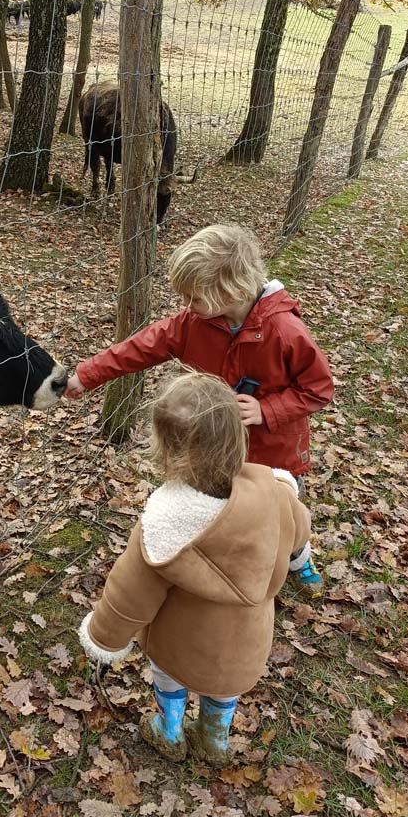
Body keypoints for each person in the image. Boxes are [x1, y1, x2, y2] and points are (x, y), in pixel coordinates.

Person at [64, 223, 332, 597]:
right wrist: (85, 374)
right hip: (213, 446)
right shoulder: (195, 323)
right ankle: (220, 562)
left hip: (273, 454)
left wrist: (267, 409)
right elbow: (141, 346)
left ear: (233, 290)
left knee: (278, 515)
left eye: (195, 298)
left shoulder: (285, 332)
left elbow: (319, 388)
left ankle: (298, 555)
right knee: (217, 505)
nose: (187, 307)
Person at [78, 372, 311, 764]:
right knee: (224, 689)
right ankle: (214, 740)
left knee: (169, 677)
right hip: (245, 645)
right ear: (238, 436)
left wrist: (103, 638)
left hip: (179, 644)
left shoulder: (163, 523)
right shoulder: (275, 494)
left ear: (166, 449)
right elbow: (299, 533)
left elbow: (128, 595)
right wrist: (301, 561)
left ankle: (170, 731)